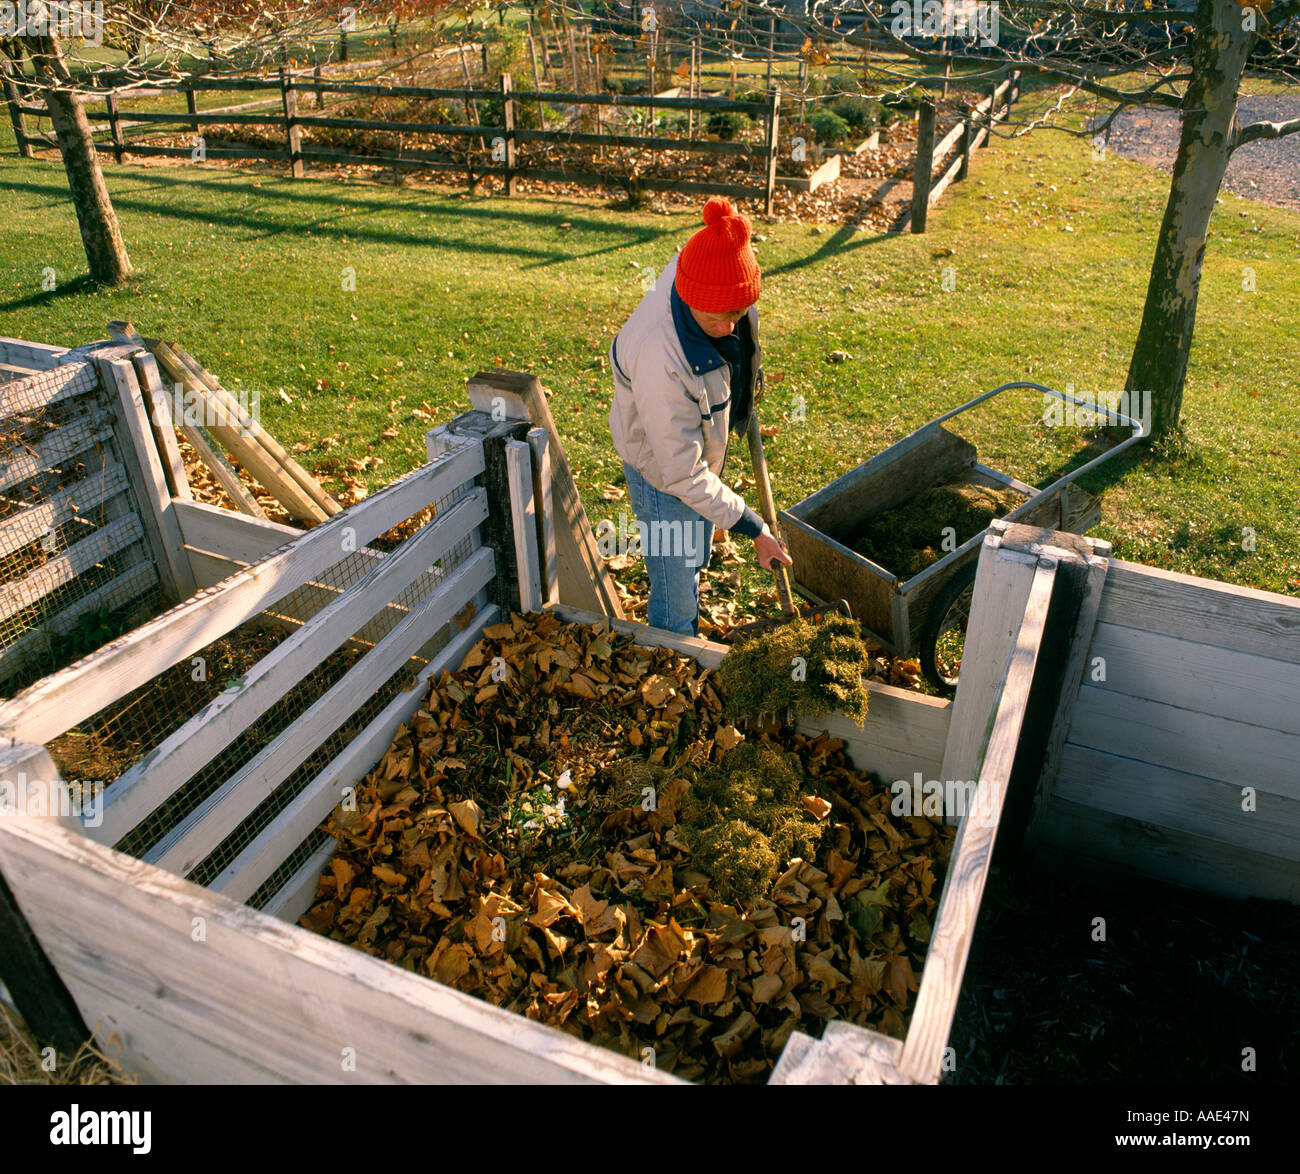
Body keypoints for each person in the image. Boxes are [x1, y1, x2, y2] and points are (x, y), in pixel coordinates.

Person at [609, 196, 793, 637]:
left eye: (737, 312)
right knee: (676, 584)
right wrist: (754, 527)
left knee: (694, 547)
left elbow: (736, 326)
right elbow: (682, 475)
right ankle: (673, 655)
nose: (730, 325)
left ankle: (686, 622)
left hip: (692, 457)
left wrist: (746, 379)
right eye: (719, 317)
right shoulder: (661, 360)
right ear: (691, 299)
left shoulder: (712, 268)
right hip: (661, 473)